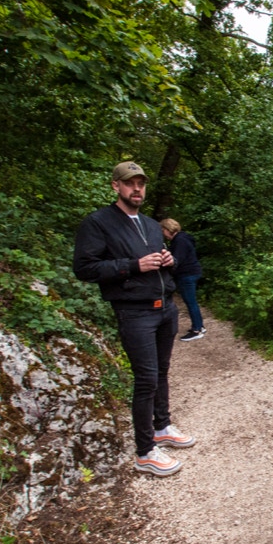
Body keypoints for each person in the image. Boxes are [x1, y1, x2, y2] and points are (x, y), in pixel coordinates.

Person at [73, 161, 196, 478]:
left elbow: (161, 263)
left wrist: (168, 260)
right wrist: (132, 265)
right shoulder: (98, 223)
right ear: (116, 186)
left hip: (165, 307)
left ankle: (161, 427)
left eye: (141, 183)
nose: (136, 188)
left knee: (162, 372)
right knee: (146, 379)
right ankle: (145, 452)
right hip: (134, 312)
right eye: (130, 183)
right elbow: (84, 268)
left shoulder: (152, 225)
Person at [160, 218, 206, 342]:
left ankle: (197, 330)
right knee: (192, 301)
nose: (163, 234)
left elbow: (176, 260)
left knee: (190, 302)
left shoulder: (179, 241)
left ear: (168, 229)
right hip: (191, 272)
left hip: (187, 274)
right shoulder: (183, 238)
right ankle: (199, 325)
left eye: (163, 230)